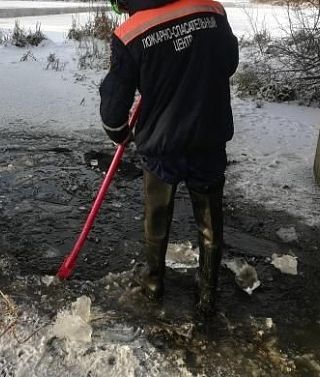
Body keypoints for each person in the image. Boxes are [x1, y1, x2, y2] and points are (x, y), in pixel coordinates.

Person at [99, 0, 239, 312]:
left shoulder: (130, 33)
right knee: (210, 219)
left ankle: (152, 284)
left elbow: (113, 106)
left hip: (162, 145)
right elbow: (229, 61)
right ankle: (207, 292)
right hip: (209, 134)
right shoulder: (212, 10)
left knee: (157, 217)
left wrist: (120, 133)